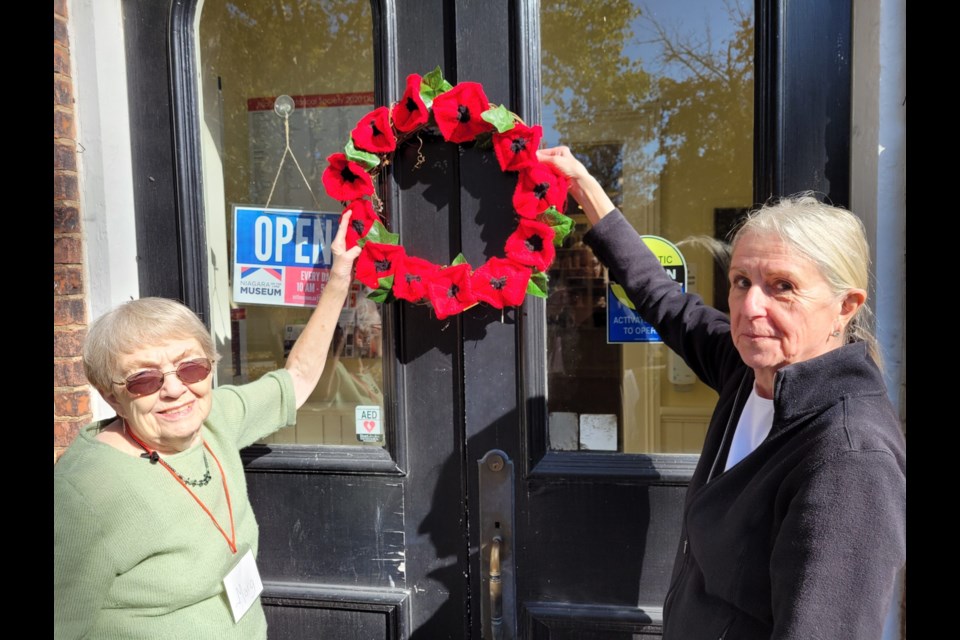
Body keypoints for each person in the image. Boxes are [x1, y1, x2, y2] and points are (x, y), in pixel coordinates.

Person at [537, 146, 906, 639]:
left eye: (782, 286)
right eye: (740, 281)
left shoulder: (849, 457)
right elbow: (661, 298)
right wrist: (586, 188)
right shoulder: (750, 367)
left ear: (845, 306)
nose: (751, 306)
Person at [54, 211, 362, 639]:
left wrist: (338, 282)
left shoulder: (215, 417)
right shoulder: (82, 494)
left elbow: (297, 380)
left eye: (192, 368)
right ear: (111, 395)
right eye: (145, 379)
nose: (175, 389)